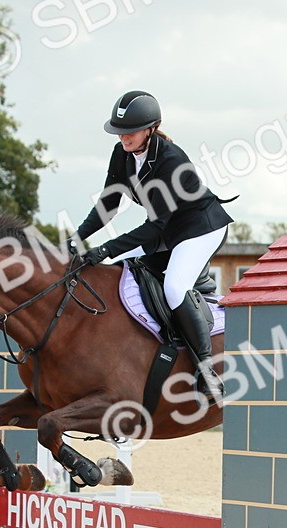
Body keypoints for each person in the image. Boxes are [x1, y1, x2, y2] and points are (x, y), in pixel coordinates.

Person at [75, 90, 234, 400]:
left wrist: (105, 248)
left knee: (174, 288)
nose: (123, 138)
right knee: (114, 272)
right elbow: (108, 205)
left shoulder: (171, 159)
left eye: (130, 131)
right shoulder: (122, 154)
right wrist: (76, 239)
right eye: (119, 131)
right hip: (168, 230)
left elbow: (154, 227)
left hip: (200, 229)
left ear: (150, 129)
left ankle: (206, 370)